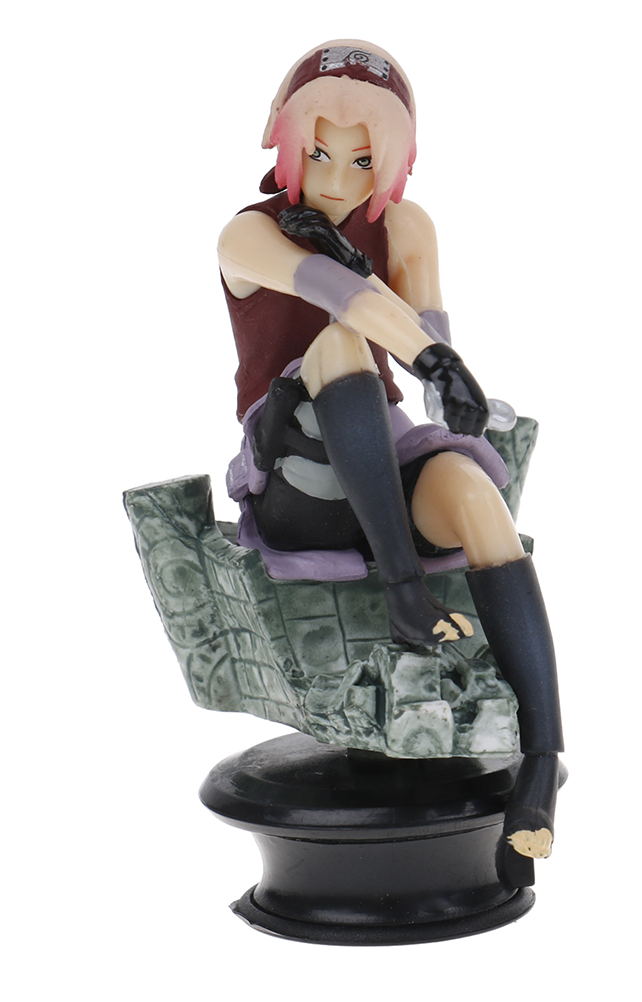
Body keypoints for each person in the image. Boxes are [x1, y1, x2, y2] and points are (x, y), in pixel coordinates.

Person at [218, 41, 563, 882]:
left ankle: (540, 762)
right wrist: (433, 361)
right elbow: (347, 301)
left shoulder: (405, 227)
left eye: (364, 159)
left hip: (385, 447)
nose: (338, 179)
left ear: (398, 159)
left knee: (474, 495)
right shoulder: (248, 234)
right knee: (341, 344)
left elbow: (430, 354)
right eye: (319, 152)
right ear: (285, 142)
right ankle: (404, 590)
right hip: (299, 467)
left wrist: (447, 378)